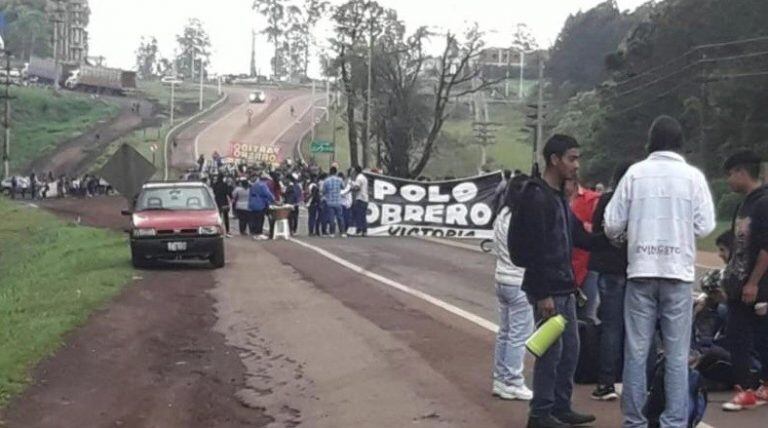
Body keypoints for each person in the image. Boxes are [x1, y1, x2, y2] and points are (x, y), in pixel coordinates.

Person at [604, 115, 716, 428]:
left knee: (637, 352)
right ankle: (674, 421)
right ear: (681, 142)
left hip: (641, 270)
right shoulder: (693, 177)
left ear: (650, 141)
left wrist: (624, 238)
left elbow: (612, 223)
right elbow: (705, 225)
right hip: (678, 273)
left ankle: (635, 421)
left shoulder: (635, 174)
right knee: (678, 355)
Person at [517, 135, 603, 428]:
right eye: (571, 158)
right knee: (551, 353)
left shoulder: (557, 198)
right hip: (548, 289)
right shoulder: (537, 196)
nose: (576, 165)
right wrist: (542, 294)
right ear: (555, 159)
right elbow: (533, 249)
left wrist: (614, 241)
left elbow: (580, 237)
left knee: (570, 351)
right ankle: (540, 413)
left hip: (565, 287)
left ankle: (560, 406)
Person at [720, 150, 768, 411]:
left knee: (750, 337)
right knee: (740, 335)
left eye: (730, 174)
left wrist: (754, 282)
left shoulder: (763, 203)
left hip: (756, 284)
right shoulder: (745, 203)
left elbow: (766, 248)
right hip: (738, 282)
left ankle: (746, 389)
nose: (728, 180)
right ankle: (752, 386)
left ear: (741, 171)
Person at [589, 162, 632, 401]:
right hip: (633, 269)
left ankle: (606, 381)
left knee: (610, 326)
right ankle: (634, 379)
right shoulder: (639, 202)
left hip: (609, 268)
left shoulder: (607, 200)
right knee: (636, 328)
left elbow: (597, 229)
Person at [493, 176, 534, 402]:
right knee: (519, 335)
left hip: (502, 276)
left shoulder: (503, 214)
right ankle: (513, 380)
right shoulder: (521, 218)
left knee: (505, 332)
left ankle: (501, 378)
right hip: (518, 278)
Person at [568, 180, 601, 324]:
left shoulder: (593, 200)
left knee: (586, 316)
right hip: (563, 266)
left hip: (587, 266)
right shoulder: (554, 200)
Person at [248, 174, 275, 240]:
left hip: (252, 203)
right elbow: (268, 194)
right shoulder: (263, 185)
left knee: (254, 218)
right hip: (260, 203)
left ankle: (253, 232)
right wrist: (273, 199)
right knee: (260, 218)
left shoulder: (254, 185)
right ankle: (259, 232)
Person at [322, 166, 346, 237]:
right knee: (340, 217)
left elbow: (324, 191)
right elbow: (343, 187)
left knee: (331, 218)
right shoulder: (340, 180)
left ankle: (332, 232)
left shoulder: (326, 180)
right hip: (338, 201)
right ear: (336, 172)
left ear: (330, 172)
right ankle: (342, 232)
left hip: (329, 202)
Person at [351, 165, 369, 236]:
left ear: (356, 171)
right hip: (365, 198)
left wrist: (352, 188)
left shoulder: (358, 178)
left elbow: (357, 188)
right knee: (363, 216)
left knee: (359, 215)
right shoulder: (364, 177)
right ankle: (364, 231)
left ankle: (359, 231)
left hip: (360, 198)